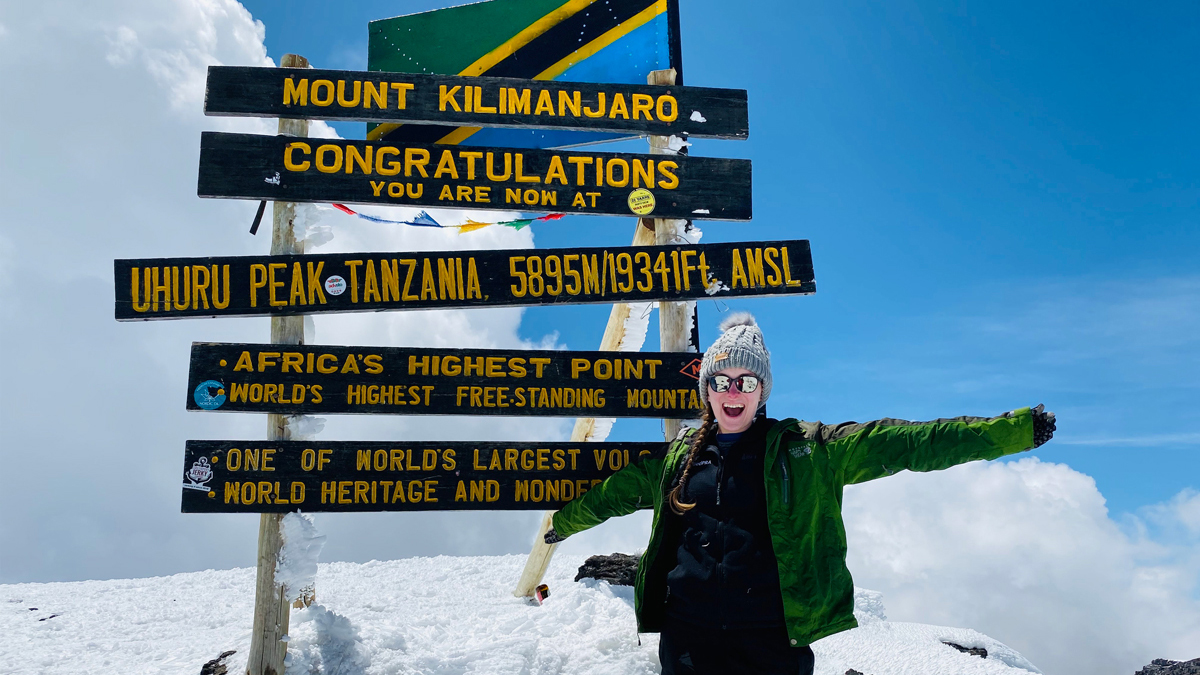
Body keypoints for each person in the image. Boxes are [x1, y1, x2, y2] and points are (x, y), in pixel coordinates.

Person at [543, 313, 1056, 675]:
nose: (733, 392)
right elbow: (614, 494)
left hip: (772, 642)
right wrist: (560, 525)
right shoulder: (679, 458)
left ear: (763, 390)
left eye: (746, 381)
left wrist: (1012, 431)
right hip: (689, 638)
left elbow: (909, 443)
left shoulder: (808, 451)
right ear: (707, 390)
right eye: (721, 381)